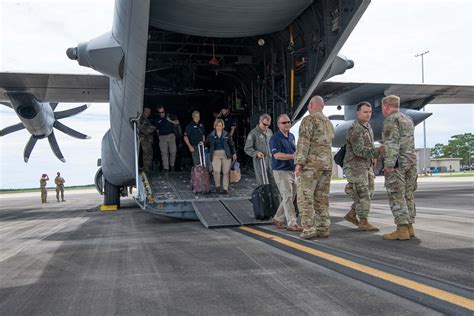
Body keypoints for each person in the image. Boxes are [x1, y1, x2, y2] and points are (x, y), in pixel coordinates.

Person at [295, 96, 334, 239]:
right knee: (321, 198)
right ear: (322, 107)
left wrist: (299, 163)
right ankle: (323, 228)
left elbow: (303, 142)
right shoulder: (328, 122)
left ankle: (309, 229)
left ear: (311, 105)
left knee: (305, 198)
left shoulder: (308, 120)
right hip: (327, 165)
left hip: (311, 165)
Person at [343, 102, 384, 231]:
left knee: (370, 192)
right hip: (355, 167)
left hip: (365, 166)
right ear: (358, 113)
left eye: (370, 112)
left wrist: (373, 156)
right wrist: (377, 151)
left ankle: (352, 214)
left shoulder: (367, 127)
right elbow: (358, 150)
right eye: (365, 112)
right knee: (363, 194)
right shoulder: (355, 129)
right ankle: (363, 222)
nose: (368, 114)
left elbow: (369, 146)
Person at [381, 95, 417, 240]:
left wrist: (389, 165)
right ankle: (410, 227)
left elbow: (392, 144)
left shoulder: (391, 120)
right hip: (411, 163)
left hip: (398, 164)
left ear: (386, 106)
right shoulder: (408, 119)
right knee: (408, 195)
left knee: (397, 195)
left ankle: (401, 229)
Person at [269, 114, 303, 231]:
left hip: (291, 170)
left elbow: (296, 151)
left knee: (290, 196)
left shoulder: (292, 136)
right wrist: (293, 156)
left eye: (288, 122)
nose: (287, 124)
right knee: (288, 196)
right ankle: (292, 223)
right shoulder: (275, 138)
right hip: (281, 171)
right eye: (284, 123)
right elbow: (277, 155)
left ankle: (278, 218)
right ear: (278, 125)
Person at [244, 114, 279, 202]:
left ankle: (276, 206)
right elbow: (247, 149)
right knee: (263, 185)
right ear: (260, 121)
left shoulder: (269, 132)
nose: (266, 127)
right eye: (264, 124)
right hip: (260, 162)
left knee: (274, 184)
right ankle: (265, 207)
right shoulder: (253, 133)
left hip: (271, 161)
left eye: (268, 125)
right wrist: (256, 153)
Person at [207, 119, 237, 194]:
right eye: (217, 126)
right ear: (215, 126)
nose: (219, 127)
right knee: (216, 171)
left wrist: (234, 153)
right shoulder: (211, 135)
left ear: (223, 126)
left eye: (220, 126)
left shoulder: (227, 134)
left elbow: (232, 144)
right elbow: (207, 144)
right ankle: (217, 186)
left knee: (226, 172)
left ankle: (225, 188)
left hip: (226, 154)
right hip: (215, 154)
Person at [154, 105, 179, 172]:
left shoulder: (170, 116)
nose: (161, 113)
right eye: (160, 112)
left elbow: (177, 122)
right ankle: (166, 168)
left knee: (173, 151)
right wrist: (159, 136)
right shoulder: (157, 120)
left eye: (162, 112)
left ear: (164, 111)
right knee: (164, 153)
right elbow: (157, 130)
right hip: (162, 137)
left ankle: (172, 166)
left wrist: (170, 120)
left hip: (171, 136)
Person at [138, 107, 157, 174]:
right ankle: (146, 169)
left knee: (149, 153)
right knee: (147, 154)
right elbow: (143, 130)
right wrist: (153, 127)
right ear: (144, 112)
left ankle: (147, 168)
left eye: (149, 112)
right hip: (145, 140)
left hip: (148, 140)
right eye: (148, 112)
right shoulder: (142, 120)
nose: (149, 113)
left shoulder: (147, 120)